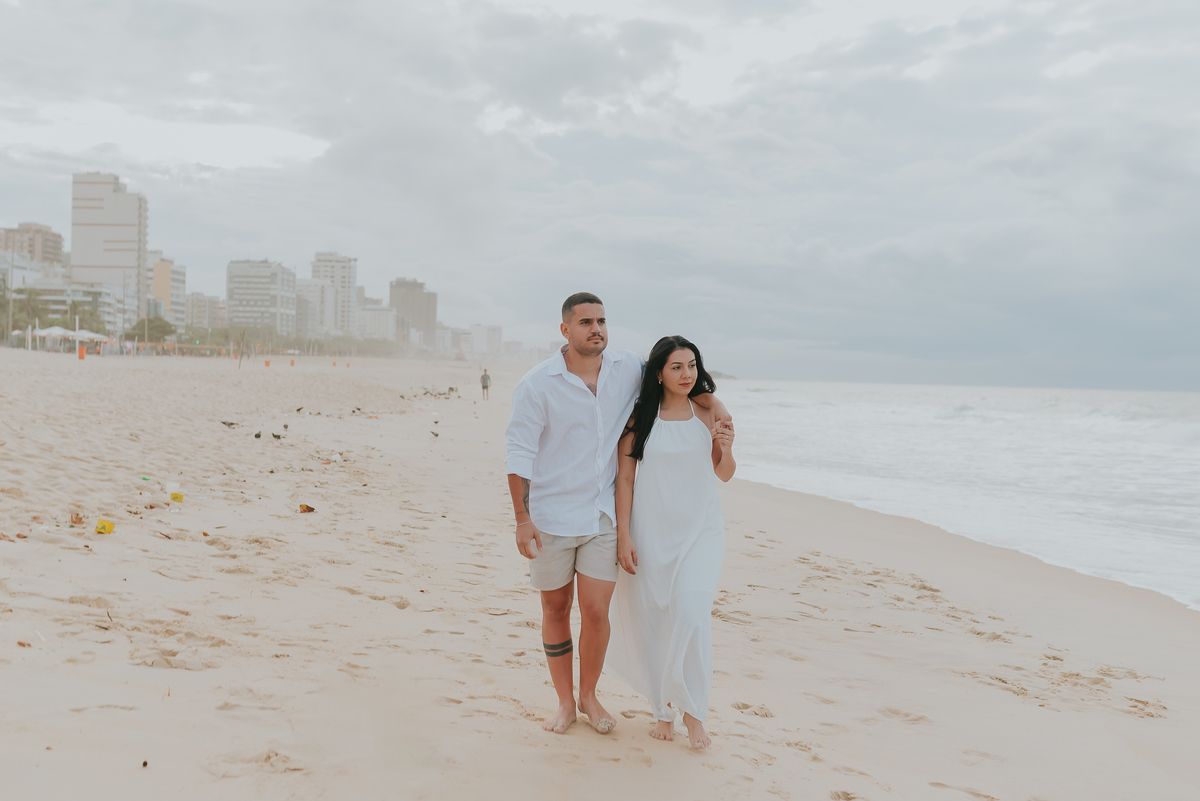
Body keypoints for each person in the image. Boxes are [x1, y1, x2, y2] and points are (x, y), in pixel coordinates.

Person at [505, 293, 731, 735]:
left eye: (602, 321)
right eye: (586, 322)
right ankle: (565, 702)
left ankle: (588, 696)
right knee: (556, 608)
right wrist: (522, 518)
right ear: (565, 329)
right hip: (550, 516)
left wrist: (719, 409)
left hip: (602, 516)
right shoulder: (536, 385)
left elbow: (681, 379)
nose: (597, 329)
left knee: (596, 611)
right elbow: (518, 454)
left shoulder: (627, 368)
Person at [607, 335, 735, 750]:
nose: (687, 374)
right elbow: (625, 480)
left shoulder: (707, 410)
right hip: (652, 531)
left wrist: (726, 446)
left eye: (692, 365)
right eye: (677, 366)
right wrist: (624, 535)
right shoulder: (640, 418)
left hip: (701, 532)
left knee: (693, 615)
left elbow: (724, 473)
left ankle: (694, 713)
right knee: (656, 619)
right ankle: (663, 710)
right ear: (659, 373)